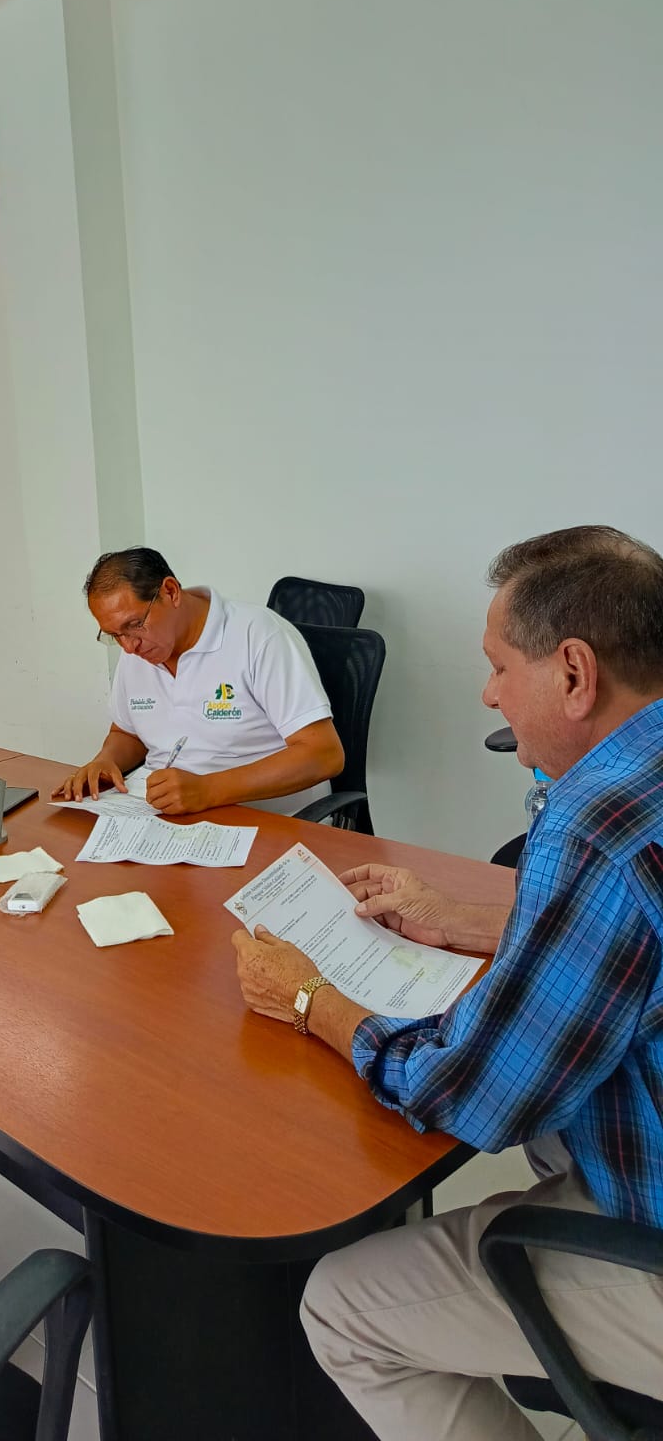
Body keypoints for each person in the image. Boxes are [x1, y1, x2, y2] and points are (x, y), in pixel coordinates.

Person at [231, 526, 663, 1440]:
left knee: (344, 1309)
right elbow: (635, 935)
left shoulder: (599, 821)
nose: (488, 694)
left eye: (499, 667)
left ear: (575, 673)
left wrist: (310, 999)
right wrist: (463, 922)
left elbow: (474, 1097)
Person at [53, 547, 344, 816]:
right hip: (164, 816)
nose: (128, 647)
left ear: (170, 592)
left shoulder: (259, 636)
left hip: (267, 819)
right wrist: (106, 760)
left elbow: (324, 755)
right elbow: (127, 733)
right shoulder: (138, 649)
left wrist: (208, 790)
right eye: (115, 635)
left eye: (135, 624)